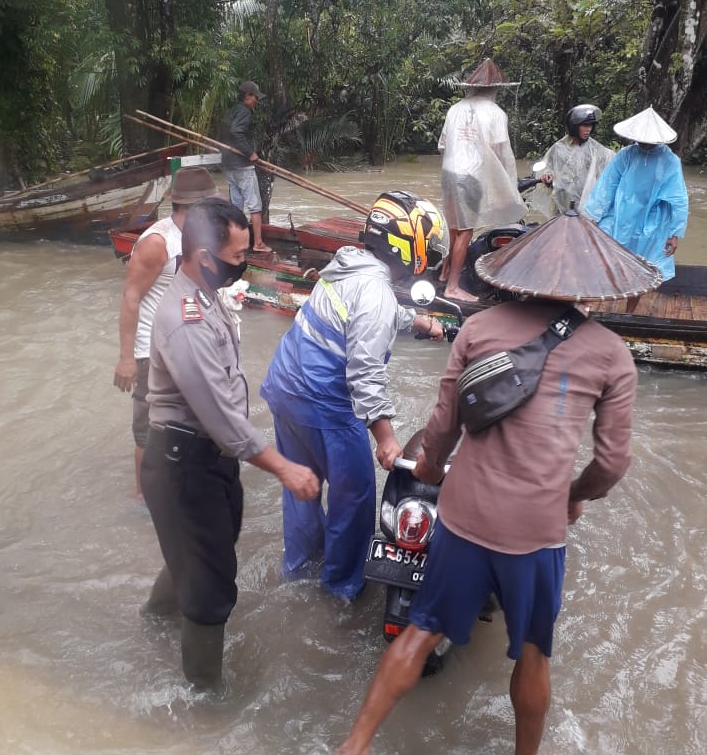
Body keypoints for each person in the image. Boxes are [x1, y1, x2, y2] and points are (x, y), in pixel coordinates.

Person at [329, 210, 647, 755]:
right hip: (536, 530)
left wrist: (425, 467)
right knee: (532, 651)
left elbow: (441, 429)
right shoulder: (610, 355)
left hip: (464, 515)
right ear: (593, 285)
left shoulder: (478, 329)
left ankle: (351, 754)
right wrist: (573, 497)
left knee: (422, 630)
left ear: (516, 272)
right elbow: (612, 464)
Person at [139, 197, 319, 690]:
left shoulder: (208, 298)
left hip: (203, 462)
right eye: (239, 257)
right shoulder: (185, 319)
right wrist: (284, 467)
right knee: (211, 588)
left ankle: (152, 625)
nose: (246, 265)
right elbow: (219, 417)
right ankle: (202, 703)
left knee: (202, 553)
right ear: (203, 259)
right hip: (183, 464)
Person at [260, 192, 447, 601]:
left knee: (302, 486)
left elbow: (362, 317)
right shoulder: (376, 293)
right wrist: (386, 438)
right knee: (356, 498)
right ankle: (341, 588)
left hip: (286, 388)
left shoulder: (347, 265)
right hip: (324, 403)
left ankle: (299, 570)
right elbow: (363, 372)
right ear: (407, 248)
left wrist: (415, 321)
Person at [113, 166, 217, 496]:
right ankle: (144, 499)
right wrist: (126, 359)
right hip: (152, 353)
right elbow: (131, 299)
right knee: (150, 431)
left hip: (187, 349)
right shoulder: (158, 243)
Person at [583, 106, 689, 313]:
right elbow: (607, 185)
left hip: (652, 222)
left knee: (643, 267)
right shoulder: (626, 155)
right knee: (604, 258)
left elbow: (678, 199)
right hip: (621, 216)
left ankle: (629, 311)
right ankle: (590, 304)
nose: (644, 143)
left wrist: (675, 234)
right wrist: (594, 217)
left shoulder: (670, 161)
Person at [437, 58, 526, 301]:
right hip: (472, 175)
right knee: (466, 231)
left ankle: (444, 273)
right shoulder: (496, 113)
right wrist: (509, 186)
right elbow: (502, 152)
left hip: (449, 172)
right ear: (494, 89)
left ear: (471, 87)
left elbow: (443, 145)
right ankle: (453, 287)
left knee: (452, 226)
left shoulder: (454, 109)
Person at [218, 81, 272, 253]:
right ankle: (258, 243)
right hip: (242, 166)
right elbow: (236, 132)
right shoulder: (244, 113)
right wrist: (250, 153)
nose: (257, 100)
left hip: (229, 166)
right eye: (256, 97)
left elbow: (226, 135)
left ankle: (235, 242)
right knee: (255, 206)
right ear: (247, 96)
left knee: (236, 206)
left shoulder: (231, 111)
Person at [536, 104, 614, 214]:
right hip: (562, 201)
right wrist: (547, 175)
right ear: (574, 126)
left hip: (586, 203)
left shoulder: (595, 149)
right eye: (584, 126)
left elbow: (613, 165)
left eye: (590, 126)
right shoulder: (559, 148)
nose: (588, 129)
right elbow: (547, 167)